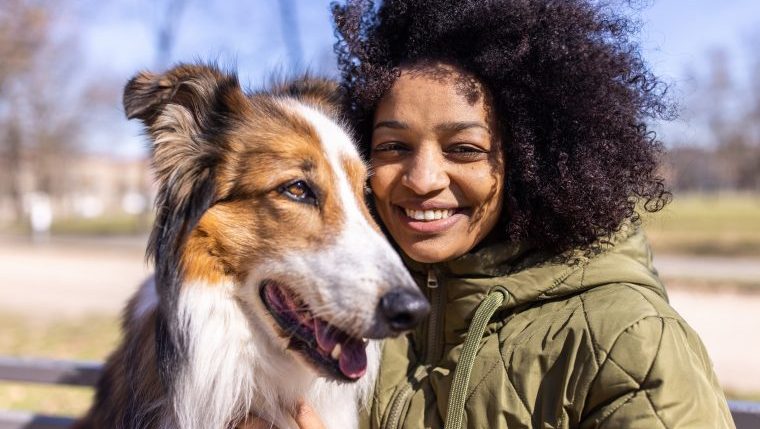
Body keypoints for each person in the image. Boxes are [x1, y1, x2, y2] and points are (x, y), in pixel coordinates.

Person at [321, 0, 736, 428]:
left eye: (464, 149)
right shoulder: (336, 317)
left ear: (529, 159)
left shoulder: (632, 340)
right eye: (393, 147)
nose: (422, 179)